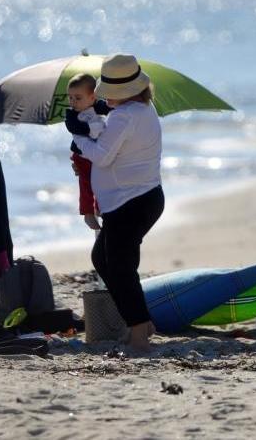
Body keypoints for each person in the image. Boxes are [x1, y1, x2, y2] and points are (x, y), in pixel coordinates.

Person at [72, 54, 164, 351]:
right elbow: (111, 150)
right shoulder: (138, 110)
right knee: (103, 260)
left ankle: (138, 329)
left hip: (133, 202)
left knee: (121, 266)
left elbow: (101, 155)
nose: (103, 96)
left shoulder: (125, 116)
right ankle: (141, 321)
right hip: (131, 201)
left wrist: (77, 137)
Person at [64, 73, 111, 230]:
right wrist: (93, 128)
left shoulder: (96, 105)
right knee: (86, 184)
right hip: (81, 156)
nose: (73, 102)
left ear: (92, 98)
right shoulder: (71, 114)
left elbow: (110, 108)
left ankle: (99, 207)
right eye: (70, 98)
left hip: (96, 154)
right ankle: (87, 213)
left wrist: (116, 107)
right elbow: (75, 128)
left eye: (78, 98)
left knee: (100, 182)